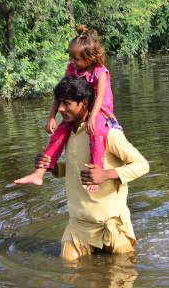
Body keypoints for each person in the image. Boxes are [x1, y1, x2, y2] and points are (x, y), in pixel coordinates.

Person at [27, 76, 149, 261]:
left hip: (112, 227)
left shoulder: (108, 134)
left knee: (121, 275)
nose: (60, 109)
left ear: (84, 103)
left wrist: (106, 174)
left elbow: (142, 165)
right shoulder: (68, 133)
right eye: (60, 103)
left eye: (67, 104)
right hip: (78, 227)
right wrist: (53, 168)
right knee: (70, 271)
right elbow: (76, 165)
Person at [15, 25, 118, 193]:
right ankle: (39, 173)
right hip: (78, 111)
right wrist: (51, 116)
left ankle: (95, 174)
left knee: (97, 130)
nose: (72, 62)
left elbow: (99, 97)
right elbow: (60, 92)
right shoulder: (72, 69)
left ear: (90, 57)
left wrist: (92, 117)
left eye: (76, 59)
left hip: (100, 111)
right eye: (71, 57)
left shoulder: (100, 72)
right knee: (60, 132)